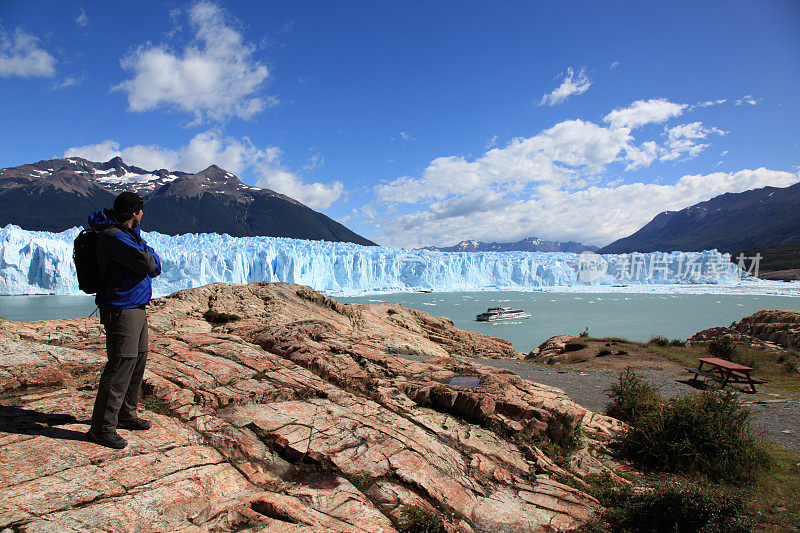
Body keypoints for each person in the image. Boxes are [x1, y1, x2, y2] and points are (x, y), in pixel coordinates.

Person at [86, 191, 161, 449]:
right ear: (133, 213)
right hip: (121, 308)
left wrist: (149, 257)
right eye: (140, 210)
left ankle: (126, 414)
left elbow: (149, 261)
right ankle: (102, 427)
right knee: (121, 364)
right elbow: (147, 262)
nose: (142, 214)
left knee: (138, 359)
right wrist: (149, 257)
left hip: (136, 306)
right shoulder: (113, 237)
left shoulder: (129, 234)